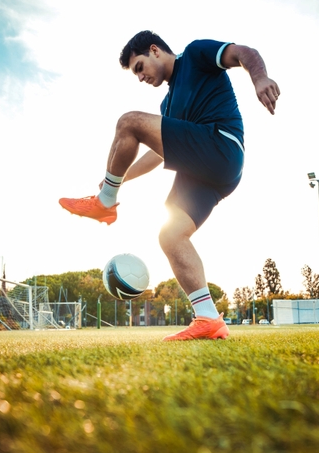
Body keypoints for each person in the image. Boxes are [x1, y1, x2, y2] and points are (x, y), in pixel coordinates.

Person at [59, 31, 280, 340]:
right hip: (207, 174)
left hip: (221, 146)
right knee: (171, 235)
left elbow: (245, 51)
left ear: (155, 50)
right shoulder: (168, 103)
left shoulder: (195, 55)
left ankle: (105, 203)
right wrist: (122, 175)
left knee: (128, 120)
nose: (140, 77)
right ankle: (208, 319)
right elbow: (157, 151)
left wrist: (259, 78)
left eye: (139, 67)